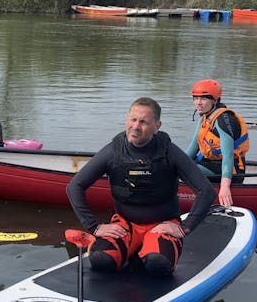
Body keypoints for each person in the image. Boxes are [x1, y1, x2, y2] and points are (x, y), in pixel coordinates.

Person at [67, 97, 213, 275]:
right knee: (101, 261)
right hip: (125, 225)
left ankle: (146, 252)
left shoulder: (169, 152)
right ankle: (131, 251)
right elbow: (75, 186)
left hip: (161, 225)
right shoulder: (113, 151)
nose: (136, 126)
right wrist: (94, 227)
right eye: (133, 119)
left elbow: (206, 191)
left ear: (157, 126)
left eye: (143, 122)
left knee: (157, 264)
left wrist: (184, 228)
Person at [184, 79, 249, 208]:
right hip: (211, 165)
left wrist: (224, 187)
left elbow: (228, 157)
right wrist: (171, 164)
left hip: (231, 171)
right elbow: (192, 148)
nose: (198, 103)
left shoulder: (223, 120)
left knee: (184, 170)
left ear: (215, 100)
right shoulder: (205, 118)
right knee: (177, 165)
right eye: (195, 98)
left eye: (203, 99)